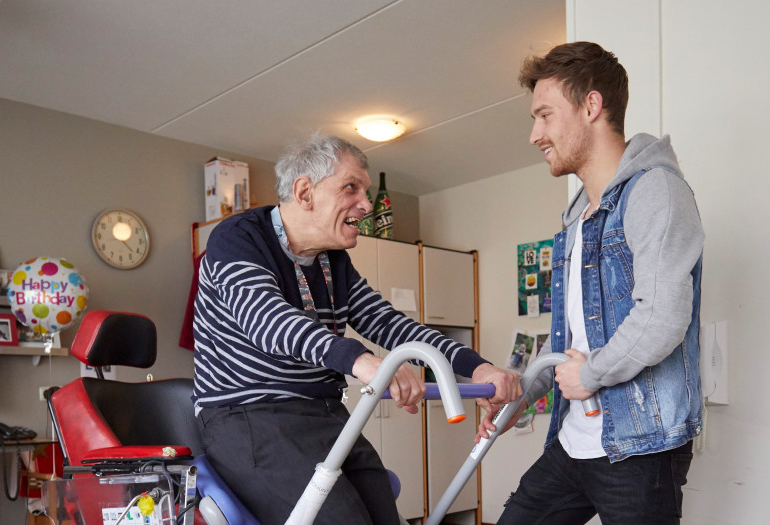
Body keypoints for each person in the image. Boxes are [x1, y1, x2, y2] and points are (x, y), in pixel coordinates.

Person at [192, 132, 521, 525]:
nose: (365, 205)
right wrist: (363, 363)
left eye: (365, 191)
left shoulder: (333, 260)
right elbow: (268, 320)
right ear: (305, 191)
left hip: (324, 414)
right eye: (351, 188)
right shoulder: (238, 237)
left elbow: (388, 323)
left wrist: (478, 367)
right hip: (249, 416)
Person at [477, 42, 704, 524]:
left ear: (591, 106)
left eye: (544, 115)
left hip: (639, 449)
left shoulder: (655, 192)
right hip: (572, 441)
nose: (534, 134)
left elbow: (663, 316)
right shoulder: (578, 218)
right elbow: (570, 344)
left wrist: (593, 373)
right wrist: (519, 397)